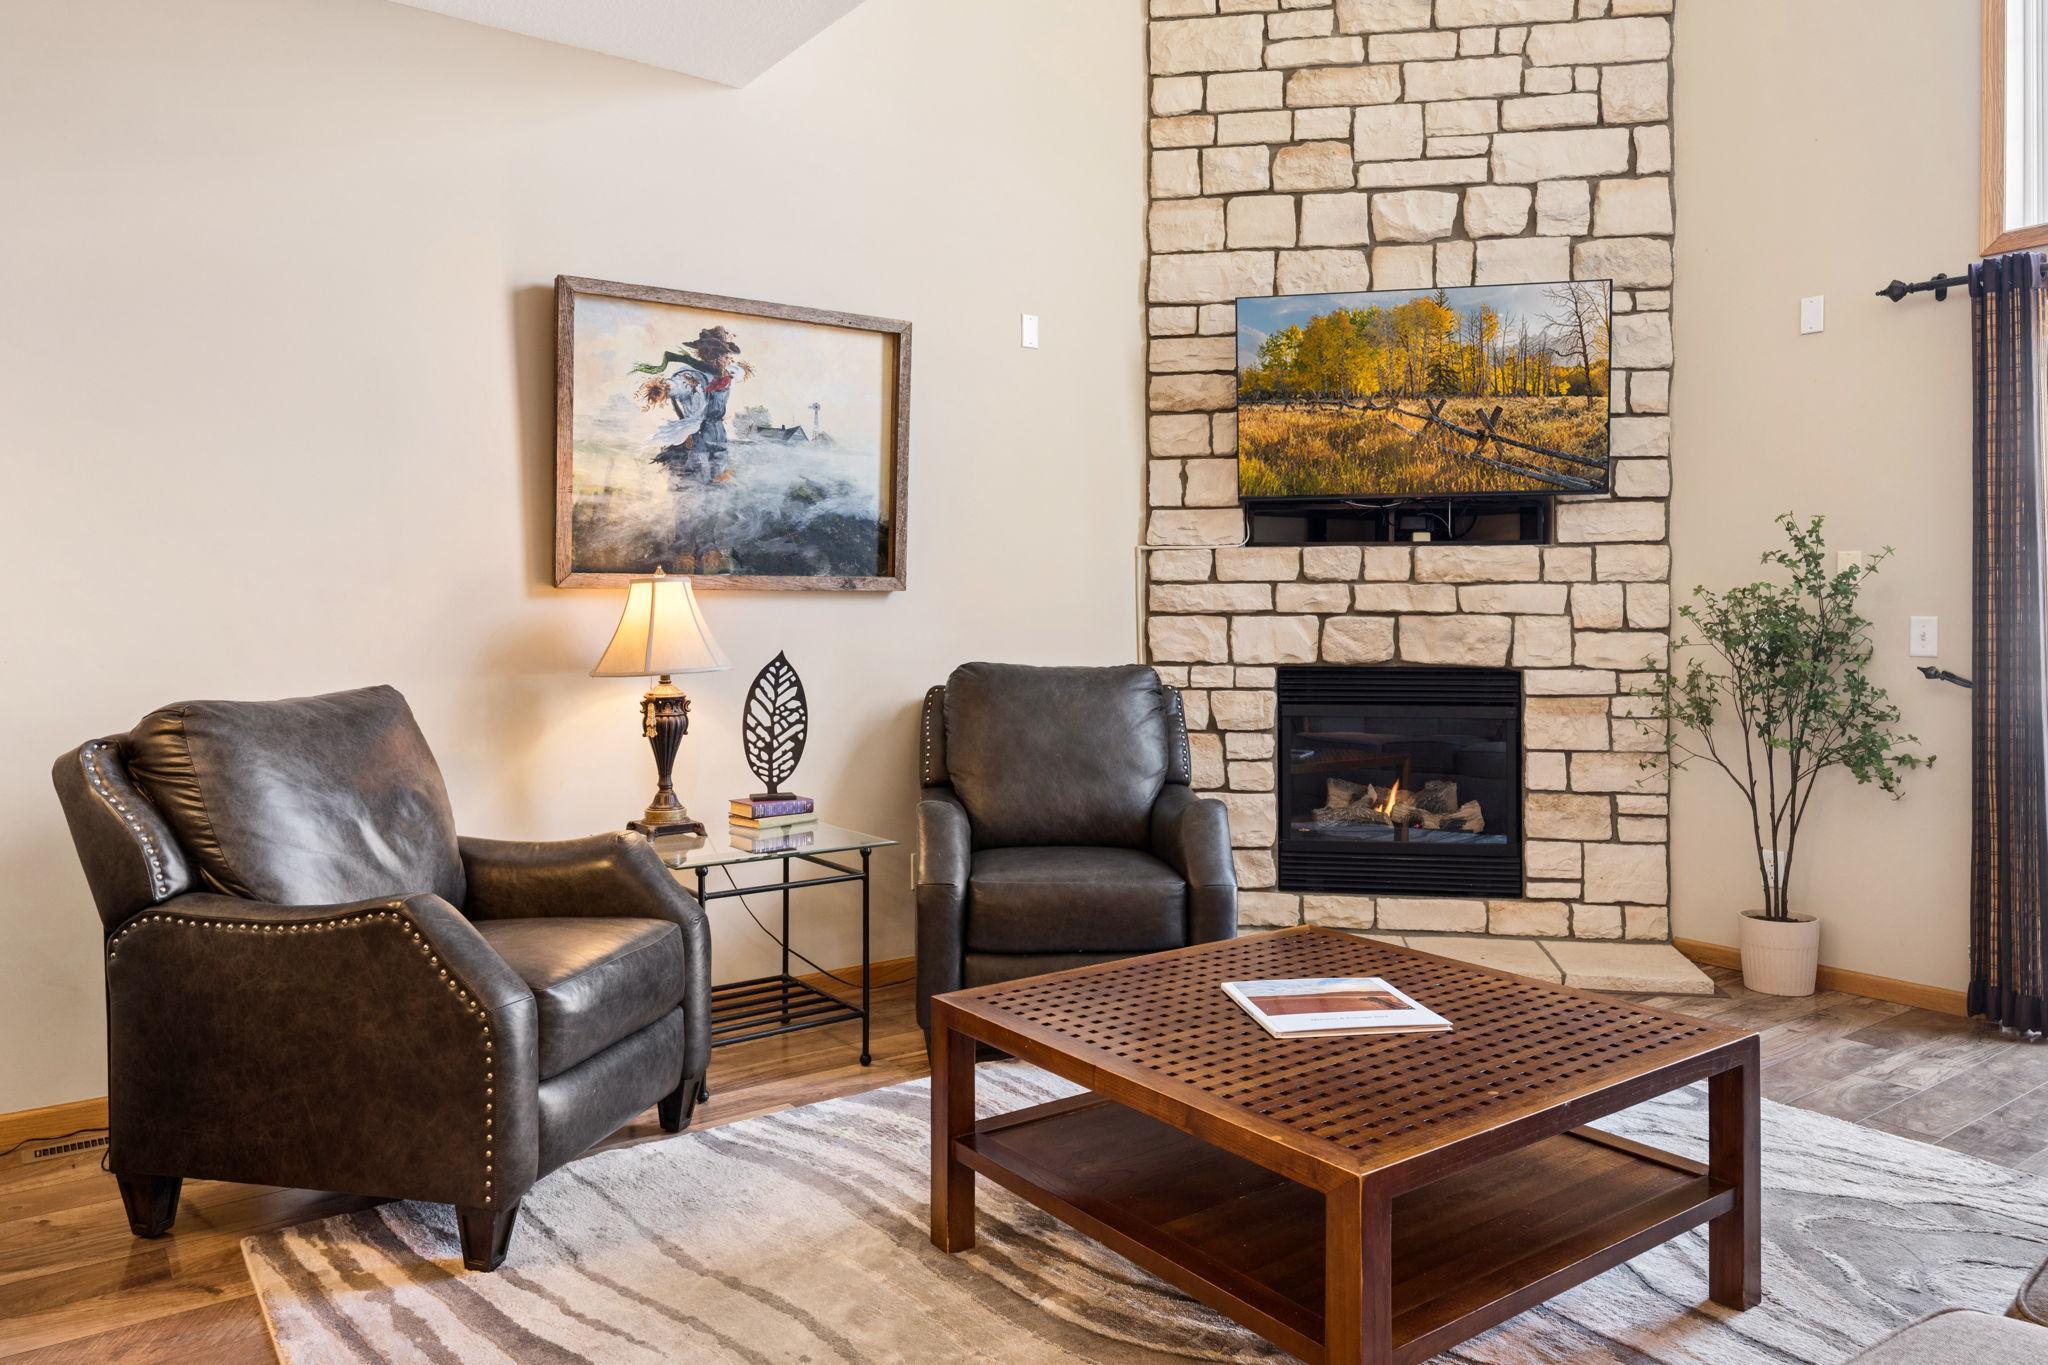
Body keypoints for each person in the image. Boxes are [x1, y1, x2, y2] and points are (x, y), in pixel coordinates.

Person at [633, 326, 751, 482]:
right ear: (709, 354)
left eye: (725, 354)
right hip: (698, 434)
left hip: (719, 432)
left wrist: (744, 369)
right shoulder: (692, 376)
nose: (725, 358)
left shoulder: (726, 375)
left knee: (720, 475)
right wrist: (662, 388)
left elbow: (739, 371)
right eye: (721, 354)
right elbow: (679, 385)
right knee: (698, 477)